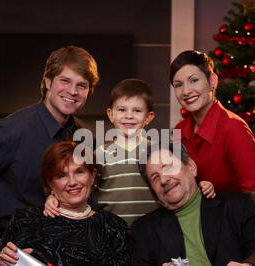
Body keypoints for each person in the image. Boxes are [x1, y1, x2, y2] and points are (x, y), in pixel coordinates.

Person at [0, 46, 99, 251]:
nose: (73, 91)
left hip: (71, 246)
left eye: (82, 85)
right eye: (65, 81)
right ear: (48, 81)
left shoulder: (84, 137)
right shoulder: (12, 131)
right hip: (18, 249)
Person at [44, 78, 216, 225]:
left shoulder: (157, 152)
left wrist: (202, 184)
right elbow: (83, 190)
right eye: (122, 110)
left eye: (137, 110)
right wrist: (55, 198)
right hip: (111, 231)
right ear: (111, 115)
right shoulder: (98, 155)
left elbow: (181, 179)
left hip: (154, 231)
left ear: (148, 118)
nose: (129, 116)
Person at [131, 143, 255, 266]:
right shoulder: (143, 230)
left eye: (168, 167)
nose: (164, 179)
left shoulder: (239, 205)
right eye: (155, 178)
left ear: (191, 167)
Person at [0, 141, 134, 266]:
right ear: (50, 183)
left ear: (92, 176)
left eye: (79, 172)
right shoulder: (25, 218)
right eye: (62, 175)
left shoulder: (111, 225)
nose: (72, 182)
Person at [170, 50, 255, 228]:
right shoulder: (180, 130)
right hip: (202, 228)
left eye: (194, 80)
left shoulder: (233, 128)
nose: (186, 91)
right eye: (178, 85)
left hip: (242, 229)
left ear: (213, 81)